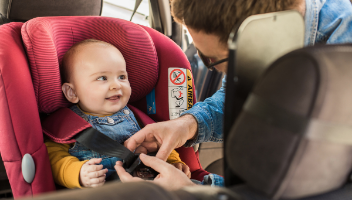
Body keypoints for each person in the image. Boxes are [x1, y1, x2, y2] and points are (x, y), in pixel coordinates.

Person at [115, 0, 352, 190]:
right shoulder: (259, 40)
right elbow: (236, 95)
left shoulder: (343, 54)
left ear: (263, 34)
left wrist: (193, 194)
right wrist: (187, 125)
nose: (212, 67)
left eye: (213, 59)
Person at [45, 39, 190, 189]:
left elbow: (160, 142)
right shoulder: (67, 125)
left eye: (122, 77)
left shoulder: (137, 117)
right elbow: (54, 159)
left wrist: (173, 163)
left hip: (149, 187)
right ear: (72, 92)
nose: (116, 85)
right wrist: (79, 173)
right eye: (102, 78)